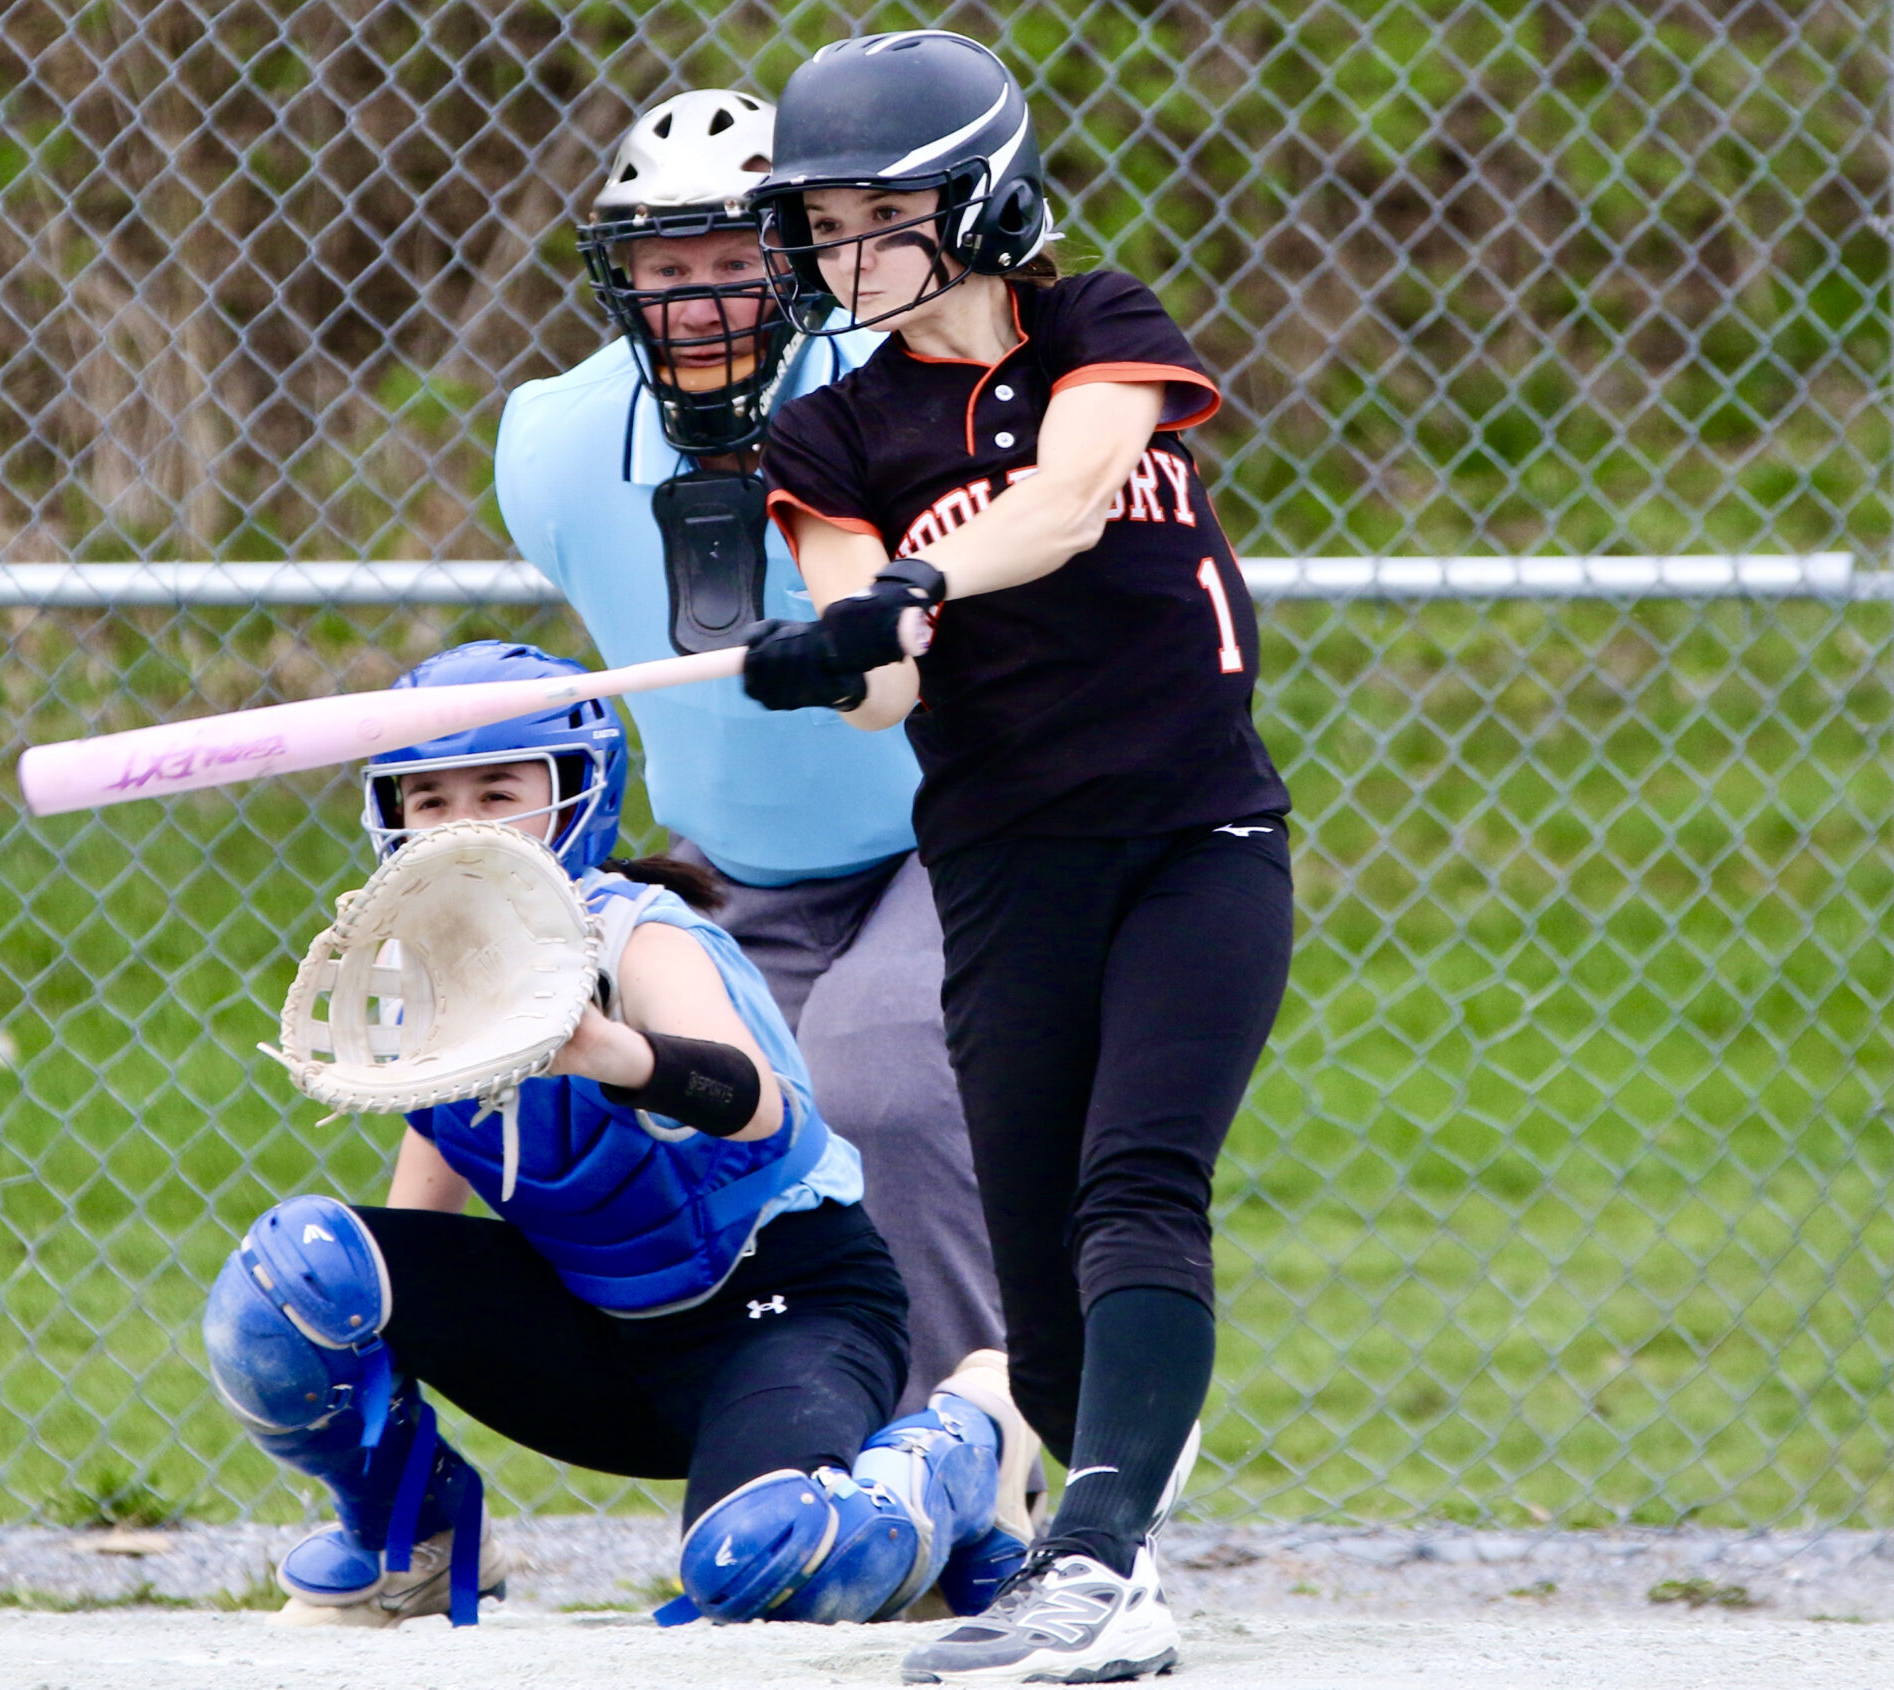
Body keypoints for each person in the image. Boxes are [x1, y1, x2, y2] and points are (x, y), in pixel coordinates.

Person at [736, 31, 1297, 1685]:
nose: (847, 254)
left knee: (1139, 1186)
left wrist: (920, 580)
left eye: (881, 218)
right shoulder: (829, 435)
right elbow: (887, 692)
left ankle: (1094, 1558)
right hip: (1002, 869)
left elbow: (1065, 500)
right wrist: (839, 650)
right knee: (1039, 1278)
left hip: (1196, 840)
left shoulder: (1098, 325)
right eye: (823, 226)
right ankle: (1125, 1563)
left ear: (982, 202)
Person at [202, 640, 1039, 1629]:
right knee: (292, 1276)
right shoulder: (414, 966)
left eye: (497, 793)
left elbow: (756, 1104)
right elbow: (430, 1182)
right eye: (429, 800)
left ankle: (969, 1437)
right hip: (593, 1332)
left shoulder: (639, 932)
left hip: (774, 1311)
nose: (462, 826)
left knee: (771, 1566)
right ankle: (413, 1538)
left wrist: (609, 1050)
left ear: (576, 797)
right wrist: (366, 1322)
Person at [496, 88, 1011, 1426]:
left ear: (799, 257)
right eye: (667, 268)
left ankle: (965, 1440)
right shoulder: (551, 444)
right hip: (731, 865)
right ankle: (791, 1442)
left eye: (736, 260)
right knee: (692, 1130)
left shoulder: (897, 388)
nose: (701, 300)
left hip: (948, 827)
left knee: (879, 1086)